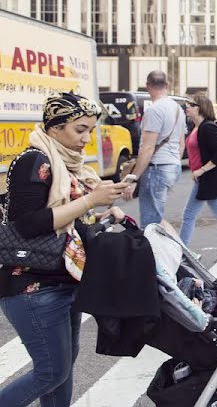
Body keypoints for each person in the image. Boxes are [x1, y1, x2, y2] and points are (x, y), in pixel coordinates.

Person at [0, 93, 126, 407]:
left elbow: (68, 221)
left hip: (64, 280)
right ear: (55, 128)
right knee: (51, 372)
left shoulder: (66, 163)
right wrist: (90, 200)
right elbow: (28, 224)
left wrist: (99, 213)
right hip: (32, 287)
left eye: (90, 130)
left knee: (63, 369)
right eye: (79, 129)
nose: (87, 138)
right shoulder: (35, 161)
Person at [179, 94, 217, 260]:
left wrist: (201, 170)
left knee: (188, 215)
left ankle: (182, 253)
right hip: (207, 178)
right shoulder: (197, 127)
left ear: (199, 107)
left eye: (190, 105)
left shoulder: (207, 128)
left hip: (209, 177)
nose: (187, 107)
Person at [122, 71, 186, 226]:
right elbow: (181, 143)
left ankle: (156, 250)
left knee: (150, 224)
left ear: (147, 86)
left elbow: (148, 147)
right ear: (167, 85)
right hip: (172, 166)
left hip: (157, 168)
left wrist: (133, 178)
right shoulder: (178, 109)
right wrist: (174, 162)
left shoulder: (154, 110)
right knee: (158, 217)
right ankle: (169, 248)